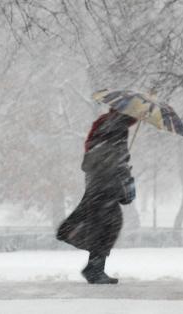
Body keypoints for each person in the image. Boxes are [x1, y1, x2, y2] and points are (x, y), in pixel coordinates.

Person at [57, 109, 138, 284]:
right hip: (105, 183)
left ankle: (94, 268)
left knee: (103, 225)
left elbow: (98, 151)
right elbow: (115, 156)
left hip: (97, 182)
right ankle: (94, 268)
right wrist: (123, 169)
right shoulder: (118, 126)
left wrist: (120, 162)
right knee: (108, 226)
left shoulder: (106, 122)